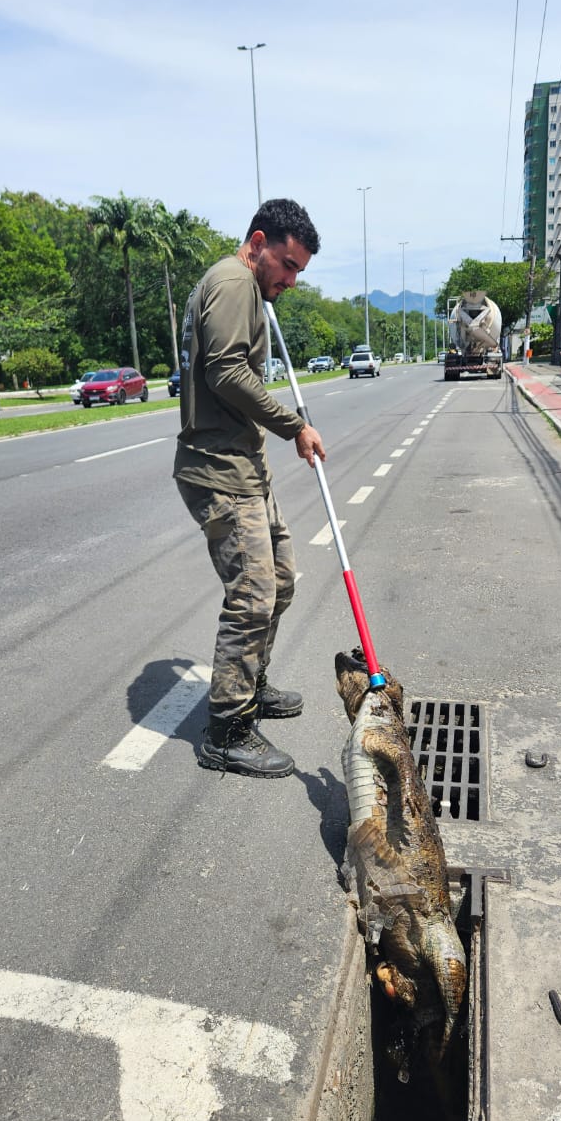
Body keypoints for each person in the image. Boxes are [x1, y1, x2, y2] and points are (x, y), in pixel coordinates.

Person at [174, 198, 325, 780]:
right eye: (286, 265)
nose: (289, 280)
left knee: (281, 580)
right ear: (258, 241)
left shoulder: (247, 287)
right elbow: (227, 372)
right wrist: (293, 425)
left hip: (245, 468)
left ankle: (251, 686)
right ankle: (228, 728)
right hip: (219, 470)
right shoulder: (235, 281)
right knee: (254, 596)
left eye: (298, 272)